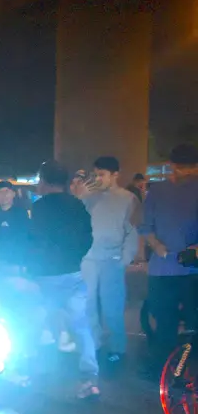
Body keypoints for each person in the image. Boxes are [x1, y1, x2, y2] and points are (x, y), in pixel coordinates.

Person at [26, 160, 99, 399]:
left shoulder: (39, 209)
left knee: (38, 323)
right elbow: (88, 238)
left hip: (45, 276)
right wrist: (75, 258)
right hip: (73, 273)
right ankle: (89, 378)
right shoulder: (76, 205)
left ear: (44, 182)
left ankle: (36, 376)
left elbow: (33, 241)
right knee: (81, 325)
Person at [139, 143, 198, 370]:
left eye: (192, 169)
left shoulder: (163, 190)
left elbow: (145, 227)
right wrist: (156, 244)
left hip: (185, 270)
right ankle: (167, 370)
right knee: (167, 323)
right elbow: (145, 226)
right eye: (184, 168)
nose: (188, 173)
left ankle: (178, 371)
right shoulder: (157, 191)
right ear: (172, 166)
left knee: (184, 323)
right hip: (167, 269)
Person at [78, 156, 138, 364]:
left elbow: (132, 230)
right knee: (88, 304)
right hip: (89, 258)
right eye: (95, 175)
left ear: (115, 175)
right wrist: (82, 196)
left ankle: (117, 347)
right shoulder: (88, 197)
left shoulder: (128, 198)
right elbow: (76, 221)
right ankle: (94, 344)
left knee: (113, 305)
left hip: (112, 258)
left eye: (102, 175)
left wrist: (125, 258)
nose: (98, 179)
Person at [0, 180, 31, 272]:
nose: (4, 195)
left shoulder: (21, 213)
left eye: (7, 191)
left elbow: (24, 238)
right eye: (0, 192)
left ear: (13, 194)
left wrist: (21, 263)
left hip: (15, 263)